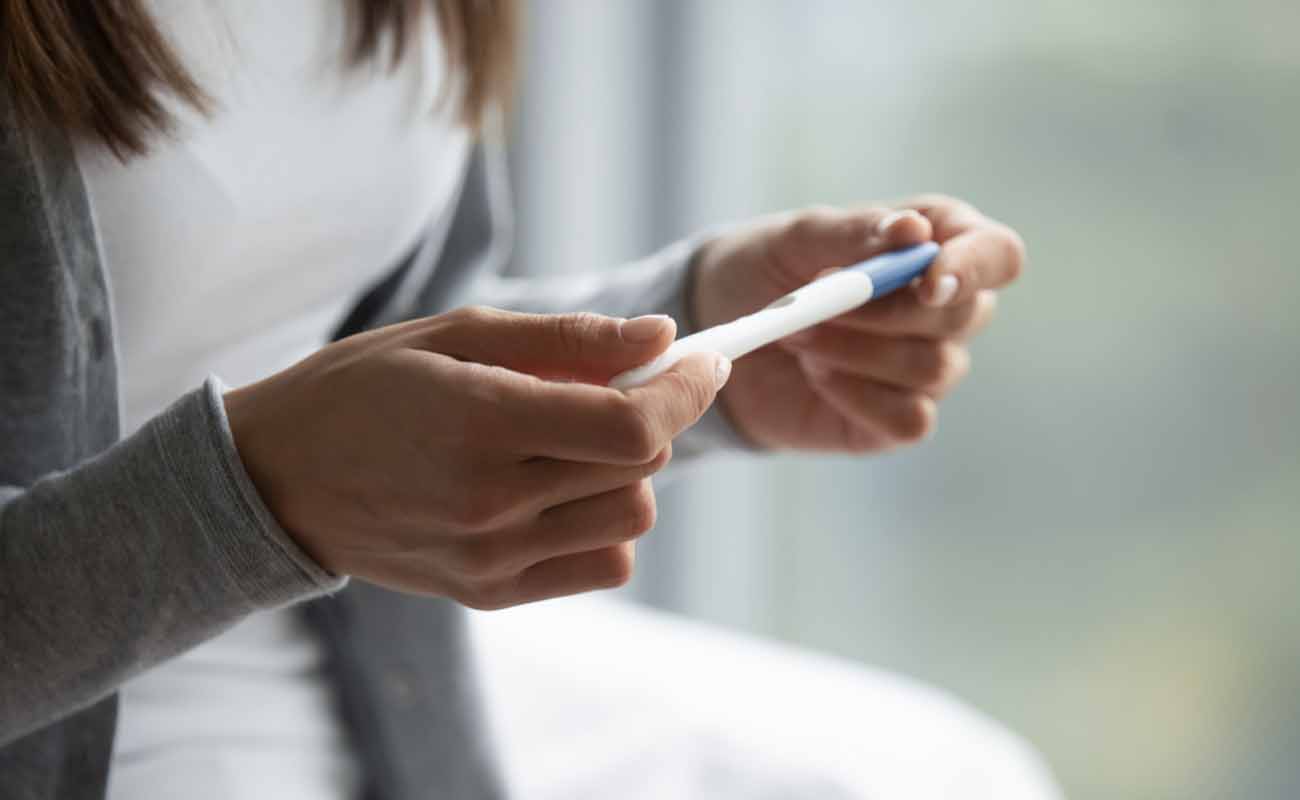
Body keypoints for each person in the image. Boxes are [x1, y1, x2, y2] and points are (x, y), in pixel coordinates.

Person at [0, 1, 1052, 798]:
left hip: (378, 672)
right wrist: (249, 502)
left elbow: (335, 330)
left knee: (952, 771)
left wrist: (695, 330)